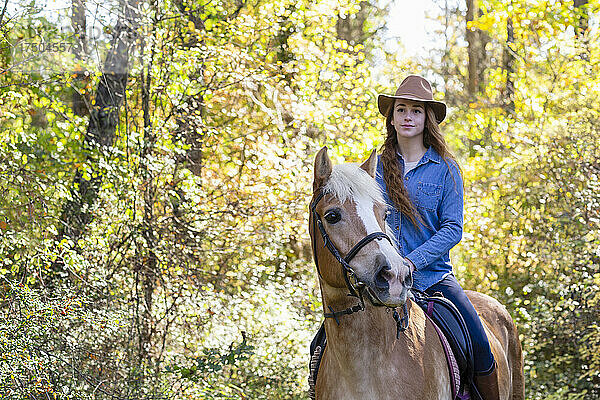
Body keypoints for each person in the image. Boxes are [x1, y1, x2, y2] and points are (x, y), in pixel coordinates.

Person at [375, 75, 499, 400]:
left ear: (426, 118)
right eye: (401, 109)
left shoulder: (446, 169)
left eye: (416, 111)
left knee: (480, 345)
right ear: (392, 117)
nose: (407, 117)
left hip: (433, 279)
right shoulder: (375, 167)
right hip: (383, 278)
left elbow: (452, 230)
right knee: (327, 337)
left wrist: (411, 262)